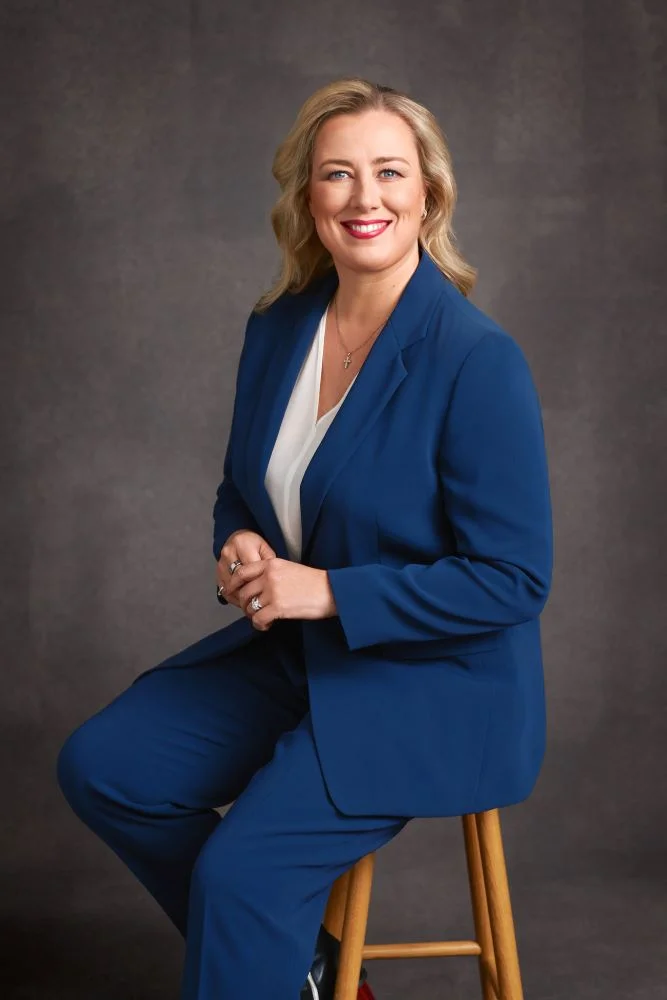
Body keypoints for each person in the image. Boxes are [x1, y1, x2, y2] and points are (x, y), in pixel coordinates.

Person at [56, 77, 553, 1000]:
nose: (365, 198)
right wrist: (239, 541)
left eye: (388, 172)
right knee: (104, 768)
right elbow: (242, 486)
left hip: (431, 685)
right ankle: (301, 965)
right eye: (338, 174)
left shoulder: (475, 359)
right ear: (308, 196)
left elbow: (514, 579)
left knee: (240, 879)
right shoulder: (278, 327)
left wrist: (324, 590)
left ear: (428, 193)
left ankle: (268, 950)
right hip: (302, 654)